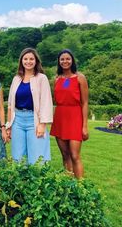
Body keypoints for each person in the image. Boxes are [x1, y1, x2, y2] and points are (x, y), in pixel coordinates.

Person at [6, 48, 53, 165]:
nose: (28, 61)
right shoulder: (16, 79)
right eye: (25, 59)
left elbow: (46, 102)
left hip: (34, 120)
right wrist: (9, 125)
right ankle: (21, 182)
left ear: (36, 61)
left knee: (37, 157)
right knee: (18, 157)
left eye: (31, 59)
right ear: (21, 61)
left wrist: (42, 124)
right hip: (17, 121)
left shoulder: (42, 78)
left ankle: (37, 181)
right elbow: (10, 105)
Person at [50, 49, 89, 179]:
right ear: (59, 62)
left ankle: (81, 187)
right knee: (65, 155)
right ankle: (69, 185)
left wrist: (84, 126)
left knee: (75, 155)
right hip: (60, 118)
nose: (65, 61)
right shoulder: (57, 79)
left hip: (75, 118)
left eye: (67, 59)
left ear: (72, 60)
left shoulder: (80, 78)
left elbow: (85, 103)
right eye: (62, 59)